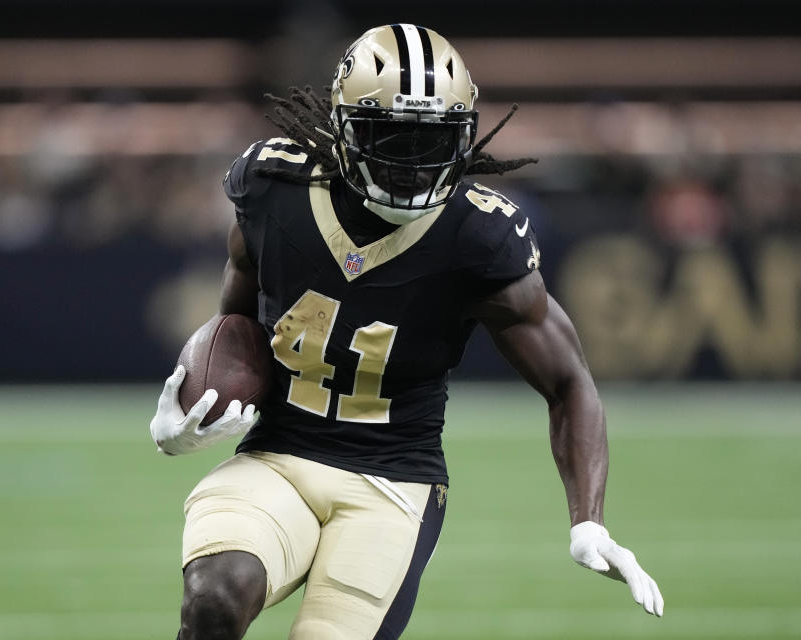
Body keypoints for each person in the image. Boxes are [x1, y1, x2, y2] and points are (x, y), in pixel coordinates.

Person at [150, 24, 664, 640]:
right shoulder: (275, 192)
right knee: (215, 599)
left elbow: (568, 382)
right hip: (276, 458)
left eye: (431, 140)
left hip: (394, 484)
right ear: (343, 129)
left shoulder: (478, 237)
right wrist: (191, 404)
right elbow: (237, 326)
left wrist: (589, 521)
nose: (410, 161)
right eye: (390, 135)